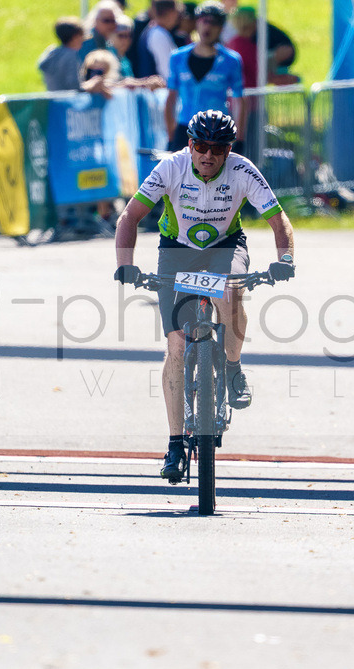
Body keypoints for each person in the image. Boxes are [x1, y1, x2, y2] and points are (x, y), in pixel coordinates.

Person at [113, 110, 295, 482]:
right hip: (177, 251)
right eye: (201, 146)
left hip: (225, 247)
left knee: (230, 291)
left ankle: (232, 367)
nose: (208, 155)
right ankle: (175, 443)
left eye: (218, 148)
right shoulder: (171, 168)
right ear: (190, 145)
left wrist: (286, 259)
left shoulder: (242, 171)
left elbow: (279, 221)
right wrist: (125, 265)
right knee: (177, 346)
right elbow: (129, 217)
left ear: (229, 150)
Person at [165, 1, 244, 153]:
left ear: (221, 27)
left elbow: (239, 100)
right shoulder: (177, 57)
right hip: (185, 127)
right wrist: (171, 135)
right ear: (197, 23)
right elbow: (171, 97)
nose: (208, 27)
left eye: (214, 23)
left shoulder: (231, 60)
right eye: (204, 21)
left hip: (216, 130)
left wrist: (239, 138)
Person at [225, 6, 298, 87]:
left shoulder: (236, 43)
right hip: (249, 87)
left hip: (243, 87)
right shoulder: (243, 45)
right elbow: (257, 71)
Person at [137, 0, 181, 80]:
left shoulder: (156, 30)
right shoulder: (158, 34)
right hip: (158, 87)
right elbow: (167, 71)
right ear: (171, 13)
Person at [38, 17, 84, 92]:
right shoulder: (70, 55)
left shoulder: (52, 53)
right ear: (75, 37)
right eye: (81, 35)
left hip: (52, 97)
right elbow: (74, 85)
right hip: (68, 98)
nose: (83, 39)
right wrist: (90, 87)